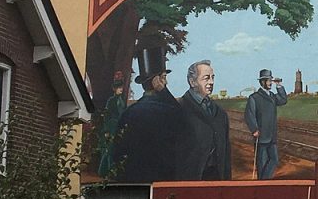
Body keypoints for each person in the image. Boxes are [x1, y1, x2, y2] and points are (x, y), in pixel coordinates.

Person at [110, 46, 192, 182]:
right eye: (164, 77)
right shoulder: (170, 111)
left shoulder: (129, 112)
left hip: (133, 180)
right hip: (163, 179)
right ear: (156, 82)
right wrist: (163, 91)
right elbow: (185, 124)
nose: (166, 82)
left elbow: (118, 151)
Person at [179, 59, 232, 180]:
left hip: (217, 179)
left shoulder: (221, 114)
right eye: (206, 78)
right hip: (190, 180)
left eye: (212, 77)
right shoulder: (179, 110)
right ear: (192, 82)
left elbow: (226, 154)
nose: (211, 82)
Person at [244, 68, 288, 180]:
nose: (270, 83)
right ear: (262, 82)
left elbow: (283, 100)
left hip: (272, 136)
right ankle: (262, 183)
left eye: (270, 80)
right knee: (262, 164)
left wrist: (279, 86)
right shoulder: (254, 97)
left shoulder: (272, 96)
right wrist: (254, 129)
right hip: (261, 137)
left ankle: (264, 181)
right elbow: (249, 115)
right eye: (268, 80)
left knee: (274, 160)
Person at [96, 70, 126, 177]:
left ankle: (111, 171)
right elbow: (107, 115)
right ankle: (105, 171)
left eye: (121, 87)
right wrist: (106, 130)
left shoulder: (122, 100)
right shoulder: (111, 101)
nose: (120, 89)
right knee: (109, 150)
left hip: (118, 126)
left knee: (114, 149)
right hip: (111, 126)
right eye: (118, 87)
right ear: (114, 89)